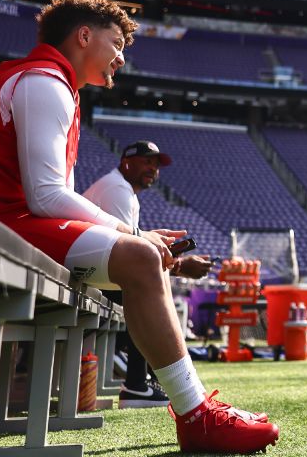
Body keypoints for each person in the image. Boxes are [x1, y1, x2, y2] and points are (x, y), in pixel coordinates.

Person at [0, 0, 278, 454]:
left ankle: (192, 409)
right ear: (84, 36)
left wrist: (137, 239)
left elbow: (47, 198)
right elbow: (46, 197)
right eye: (116, 43)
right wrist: (134, 236)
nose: (121, 57)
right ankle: (195, 414)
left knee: (143, 257)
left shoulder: (50, 83)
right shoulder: (44, 82)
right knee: (140, 257)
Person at [83, 140, 212, 409]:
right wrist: (179, 267)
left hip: (88, 268)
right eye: (146, 161)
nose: (153, 169)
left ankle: (147, 380)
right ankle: (137, 385)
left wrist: (175, 264)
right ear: (126, 162)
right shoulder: (117, 189)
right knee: (143, 287)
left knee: (147, 281)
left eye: (155, 164)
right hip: (83, 271)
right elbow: (127, 254)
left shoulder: (122, 189)